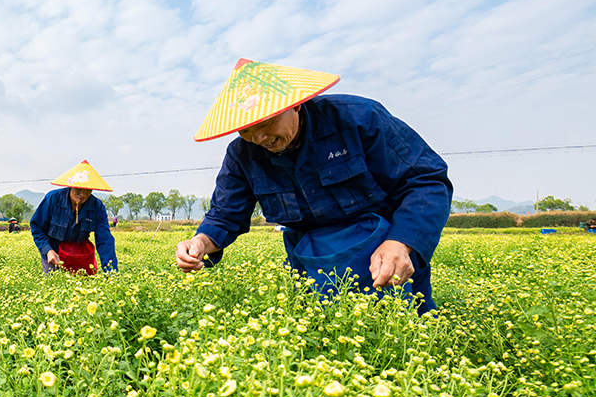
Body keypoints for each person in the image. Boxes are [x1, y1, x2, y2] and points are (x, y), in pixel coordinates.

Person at [176, 59, 452, 313]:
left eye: (266, 122)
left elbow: (426, 180)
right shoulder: (241, 155)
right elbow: (225, 214)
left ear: (295, 104)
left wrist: (401, 243)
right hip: (311, 266)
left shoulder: (358, 119)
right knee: (320, 339)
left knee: (401, 331)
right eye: (245, 130)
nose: (258, 137)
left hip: (384, 256)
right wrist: (200, 242)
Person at [30, 160, 118, 275]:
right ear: (71, 186)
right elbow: (37, 228)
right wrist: (47, 250)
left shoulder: (97, 207)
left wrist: (111, 273)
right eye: (78, 189)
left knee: (81, 285)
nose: (82, 194)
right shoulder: (53, 199)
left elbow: (104, 239)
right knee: (53, 284)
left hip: (78, 253)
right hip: (53, 251)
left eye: (87, 190)